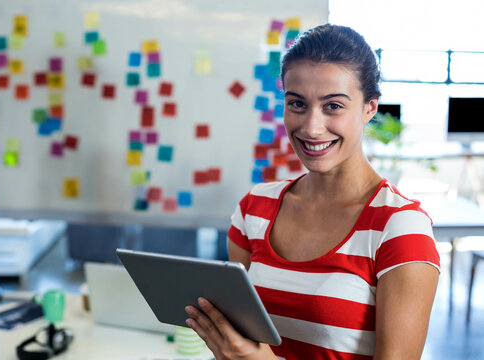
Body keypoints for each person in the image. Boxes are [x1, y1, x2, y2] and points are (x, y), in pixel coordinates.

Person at [184, 23, 441, 359]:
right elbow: (243, 340)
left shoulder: (400, 229)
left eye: (333, 106)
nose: (311, 128)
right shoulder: (254, 209)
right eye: (297, 104)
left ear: (370, 108)